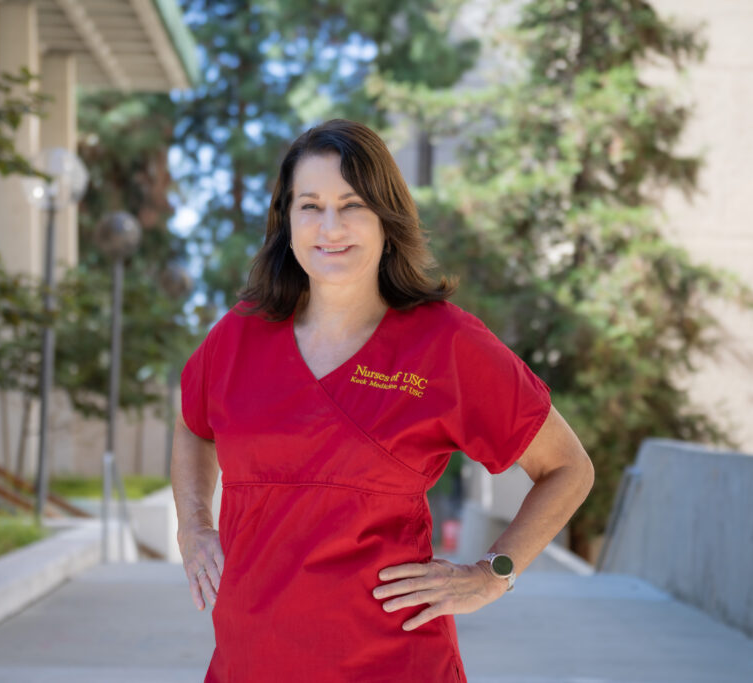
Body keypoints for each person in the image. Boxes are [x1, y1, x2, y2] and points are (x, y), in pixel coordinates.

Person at [172, 118, 595, 682]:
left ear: (385, 217)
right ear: (286, 221)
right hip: (249, 662)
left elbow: (569, 467)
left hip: (391, 662)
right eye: (310, 206)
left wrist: (494, 573)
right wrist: (194, 525)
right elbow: (193, 423)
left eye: (352, 205)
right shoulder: (240, 335)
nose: (330, 227)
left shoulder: (446, 344)